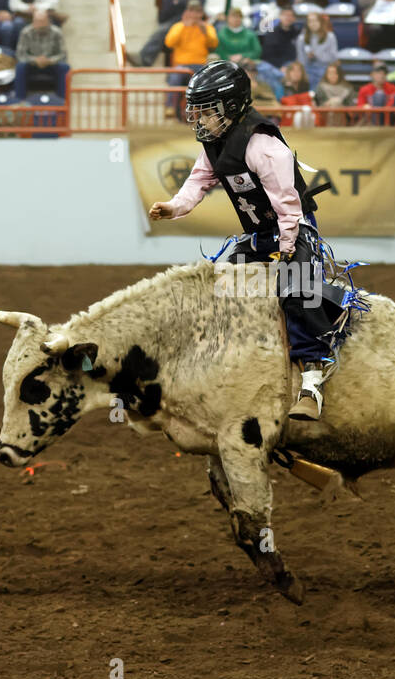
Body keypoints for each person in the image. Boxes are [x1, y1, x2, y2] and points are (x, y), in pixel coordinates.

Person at [147, 59, 342, 421]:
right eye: (198, 112)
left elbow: (288, 206)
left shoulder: (265, 147)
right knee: (219, 281)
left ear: (231, 107)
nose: (200, 119)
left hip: (294, 229)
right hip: (259, 235)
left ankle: (312, 380)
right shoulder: (214, 144)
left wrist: (287, 249)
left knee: (297, 290)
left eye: (207, 111)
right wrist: (174, 207)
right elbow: (198, 182)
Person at [13, 6, 67, 98]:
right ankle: (20, 101)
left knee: (64, 67)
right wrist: (35, 60)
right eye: (36, 21)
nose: (39, 24)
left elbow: (63, 54)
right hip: (32, 65)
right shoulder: (26, 32)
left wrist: (49, 60)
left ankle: (62, 101)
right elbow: (20, 55)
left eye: (42, 21)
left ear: (48, 21)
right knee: (20, 66)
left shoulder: (57, 33)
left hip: (51, 65)